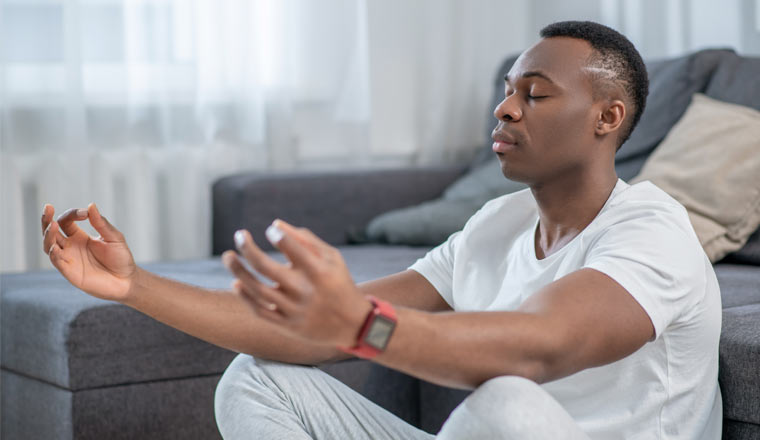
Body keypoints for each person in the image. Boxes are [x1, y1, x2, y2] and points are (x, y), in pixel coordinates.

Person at [40, 20, 722, 439]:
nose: (506, 108)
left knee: (509, 403)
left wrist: (363, 323)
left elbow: (539, 349)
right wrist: (133, 286)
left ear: (608, 118)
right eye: (509, 89)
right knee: (258, 379)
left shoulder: (650, 227)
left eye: (535, 94)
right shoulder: (497, 225)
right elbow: (303, 331)